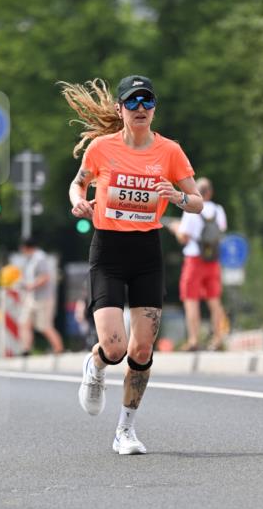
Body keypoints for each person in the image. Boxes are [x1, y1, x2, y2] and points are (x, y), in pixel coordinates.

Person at [63, 74, 203, 454]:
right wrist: (78, 200)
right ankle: (95, 366)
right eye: (133, 102)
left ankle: (125, 431)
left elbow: (197, 202)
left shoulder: (170, 151)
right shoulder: (101, 148)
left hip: (146, 251)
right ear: (120, 109)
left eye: (147, 102)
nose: (140, 109)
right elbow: (78, 183)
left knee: (141, 351)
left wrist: (175, 195)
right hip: (108, 250)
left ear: (154, 108)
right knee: (115, 345)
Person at [169, 177, 227, 351]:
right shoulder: (218, 210)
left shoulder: (191, 209)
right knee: (214, 300)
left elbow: (184, 237)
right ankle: (218, 339)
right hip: (213, 260)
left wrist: (175, 228)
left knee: (191, 299)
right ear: (210, 192)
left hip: (194, 259)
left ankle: (194, 340)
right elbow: (221, 230)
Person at [19, 238, 64, 355]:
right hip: (32, 297)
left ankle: (58, 348)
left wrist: (31, 286)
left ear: (26, 247)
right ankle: (26, 349)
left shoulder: (40, 258)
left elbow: (45, 277)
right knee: (25, 322)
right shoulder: (30, 259)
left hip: (43, 297)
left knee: (45, 326)